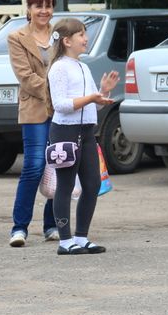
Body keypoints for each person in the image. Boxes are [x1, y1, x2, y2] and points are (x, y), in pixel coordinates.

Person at [47, 18, 119, 256]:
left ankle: (81, 236)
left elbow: (91, 107)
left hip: (87, 132)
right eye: (81, 35)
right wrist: (91, 98)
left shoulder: (83, 66)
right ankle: (65, 241)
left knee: (92, 184)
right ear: (67, 41)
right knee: (65, 186)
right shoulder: (59, 67)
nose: (86, 39)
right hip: (65, 131)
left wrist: (103, 92)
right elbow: (61, 105)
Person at [6, 0, 60, 247]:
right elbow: (25, 77)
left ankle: (53, 225)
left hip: (63, 110)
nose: (43, 11)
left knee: (59, 165)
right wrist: (55, 92)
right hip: (35, 109)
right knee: (34, 166)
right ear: (28, 9)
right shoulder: (16, 37)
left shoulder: (61, 35)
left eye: (48, 5)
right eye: (38, 6)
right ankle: (19, 228)